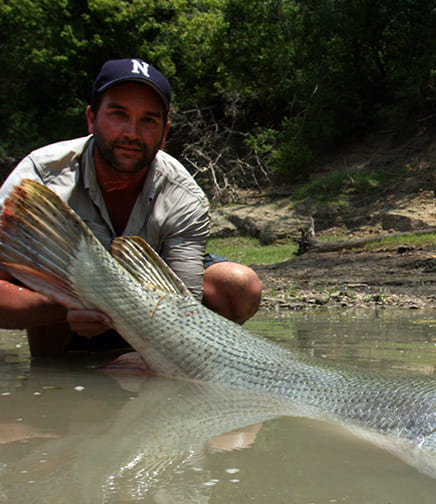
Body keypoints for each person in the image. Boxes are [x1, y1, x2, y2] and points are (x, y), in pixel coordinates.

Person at [0, 58, 262, 356]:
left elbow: (184, 307)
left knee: (240, 286)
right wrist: (65, 305)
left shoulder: (184, 196)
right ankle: (58, 379)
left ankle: (145, 364)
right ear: (91, 119)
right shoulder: (39, 177)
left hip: (154, 305)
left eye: (148, 120)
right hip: (66, 309)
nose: (132, 134)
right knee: (58, 281)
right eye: (118, 115)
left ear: (163, 133)